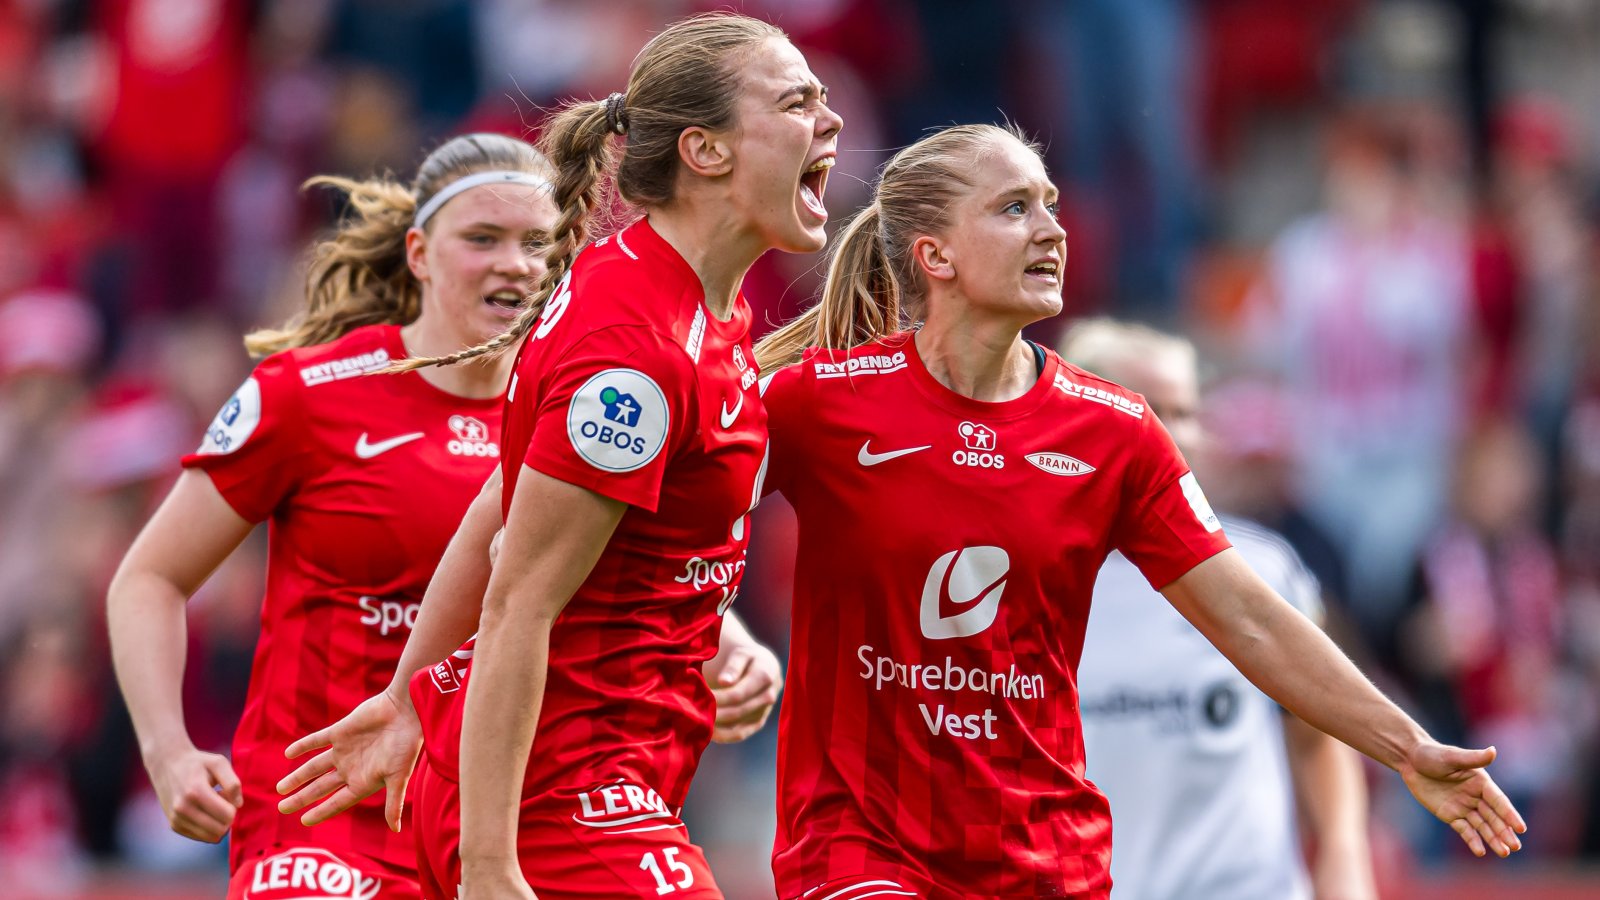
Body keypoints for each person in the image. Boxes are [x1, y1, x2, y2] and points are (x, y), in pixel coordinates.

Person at [752, 123, 1524, 899]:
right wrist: (714, 632)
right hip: (863, 851)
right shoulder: (823, 401)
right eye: (1015, 209)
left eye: (1052, 205)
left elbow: (1249, 619)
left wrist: (1409, 747)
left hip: (1041, 861)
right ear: (936, 255)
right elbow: (670, 509)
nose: (1053, 230)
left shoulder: (1113, 431)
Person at [107, 131, 782, 899]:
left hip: (492, 818)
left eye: (538, 243)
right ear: (421, 253)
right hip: (323, 821)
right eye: (483, 239)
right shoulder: (308, 395)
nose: (515, 264)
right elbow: (150, 577)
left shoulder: (591, 414)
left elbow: (618, 573)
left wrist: (726, 644)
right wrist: (169, 754)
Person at [275, 13, 841, 899]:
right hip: (558, 797)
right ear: (706, 151)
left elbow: (499, 504)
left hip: (595, 777)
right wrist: (491, 868)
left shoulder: (690, 304)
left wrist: (405, 695)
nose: (830, 120)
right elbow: (519, 605)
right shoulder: (634, 350)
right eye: (797, 101)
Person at [1062, 319, 1377, 900]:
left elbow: (1316, 732)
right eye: (1150, 410)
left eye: (1186, 413)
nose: (1174, 434)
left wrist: (1343, 856)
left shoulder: (1263, 567)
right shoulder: (1032, 575)